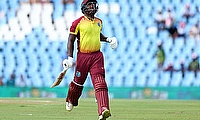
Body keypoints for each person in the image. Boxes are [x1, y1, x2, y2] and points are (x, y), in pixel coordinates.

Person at [62, 0, 118, 119]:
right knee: (78, 83)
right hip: (83, 56)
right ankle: (70, 100)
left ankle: (103, 109)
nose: (92, 7)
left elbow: (97, 35)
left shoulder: (99, 22)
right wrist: (70, 58)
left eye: (93, 4)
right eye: (89, 5)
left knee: (100, 82)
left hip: (97, 56)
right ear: (83, 8)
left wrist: (108, 39)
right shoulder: (77, 23)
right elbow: (71, 40)